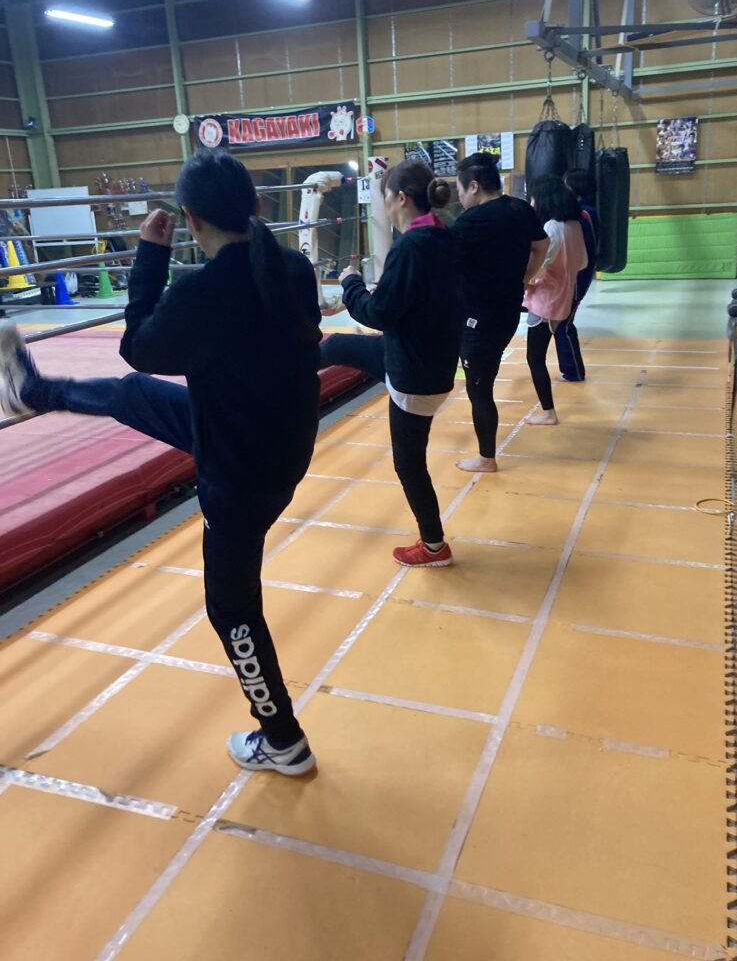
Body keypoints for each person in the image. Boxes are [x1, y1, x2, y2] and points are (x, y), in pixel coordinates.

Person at [0, 150, 322, 777]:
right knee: (134, 397)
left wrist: (148, 256)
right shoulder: (293, 268)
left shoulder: (203, 291)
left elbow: (140, 346)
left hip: (239, 474)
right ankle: (32, 391)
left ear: (190, 219)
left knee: (232, 611)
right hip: (272, 440)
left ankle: (283, 739)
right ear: (256, 206)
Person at [319, 159, 460, 567]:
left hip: (415, 374)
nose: (385, 208)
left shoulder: (411, 246)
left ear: (400, 198)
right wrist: (352, 299)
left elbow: (379, 312)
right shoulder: (441, 236)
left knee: (408, 465)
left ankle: (434, 547)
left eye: (385, 199)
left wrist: (350, 283)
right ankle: (278, 376)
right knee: (335, 346)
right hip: (422, 356)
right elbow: (407, 298)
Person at [452, 152, 550, 472]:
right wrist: (525, 276)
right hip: (509, 312)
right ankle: (486, 454)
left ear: (474, 186)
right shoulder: (520, 208)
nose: (460, 197)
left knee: (479, 390)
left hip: (479, 318)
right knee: (483, 381)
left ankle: (486, 458)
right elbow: (542, 245)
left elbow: (442, 268)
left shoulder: (469, 222)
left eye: (460, 190)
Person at [523, 175, 588, 425]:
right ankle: (548, 410)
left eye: (533, 198)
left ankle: (548, 412)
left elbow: (539, 265)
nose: (532, 203)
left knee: (535, 358)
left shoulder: (552, 227)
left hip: (546, 301)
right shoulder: (575, 225)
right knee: (537, 356)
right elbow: (582, 263)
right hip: (564, 296)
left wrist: (526, 280)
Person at [555, 168, 599, 382]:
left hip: (579, 274)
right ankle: (571, 369)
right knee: (560, 321)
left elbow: (584, 249)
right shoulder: (581, 212)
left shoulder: (584, 214)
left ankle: (574, 371)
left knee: (563, 322)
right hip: (575, 273)